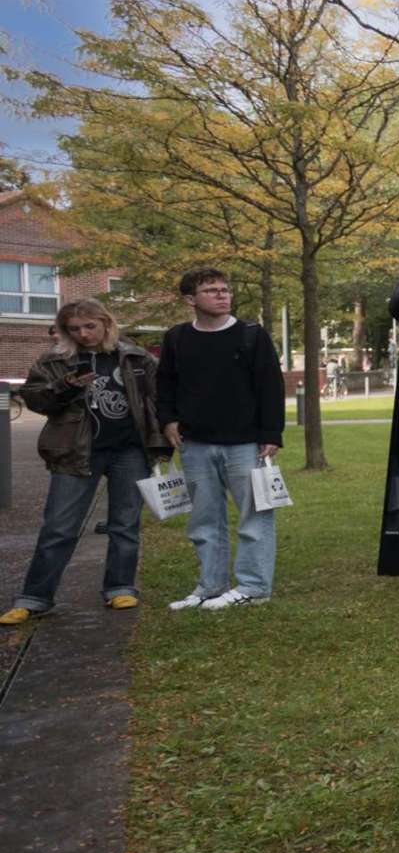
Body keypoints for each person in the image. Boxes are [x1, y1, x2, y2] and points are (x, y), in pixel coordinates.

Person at [3, 301, 164, 625]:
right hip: (75, 450)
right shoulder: (55, 361)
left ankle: (119, 587)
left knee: (125, 524)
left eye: (89, 326)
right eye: (74, 329)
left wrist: (161, 440)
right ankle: (35, 597)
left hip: (129, 451)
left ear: (106, 323)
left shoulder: (135, 357)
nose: (83, 334)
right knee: (59, 526)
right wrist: (64, 386)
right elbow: (35, 399)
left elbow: (157, 399)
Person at [155, 268, 285, 611]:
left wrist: (272, 433)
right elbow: (165, 384)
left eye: (225, 289)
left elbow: (271, 385)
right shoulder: (177, 338)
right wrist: (167, 420)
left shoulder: (251, 335)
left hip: (246, 445)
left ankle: (254, 587)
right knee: (204, 521)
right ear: (190, 299)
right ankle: (211, 586)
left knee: (254, 519)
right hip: (195, 445)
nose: (222, 295)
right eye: (212, 290)